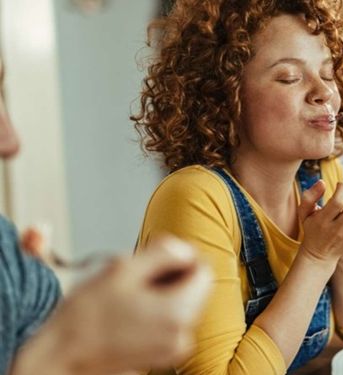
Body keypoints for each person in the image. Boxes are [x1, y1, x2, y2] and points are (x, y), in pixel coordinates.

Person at [132, 0, 343, 373]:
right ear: (226, 96)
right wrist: (317, 258)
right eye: (290, 78)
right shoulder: (195, 198)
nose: (323, 92)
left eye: (328, 73)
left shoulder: (321, 176)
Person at [0, 54, 212, 374]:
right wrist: (67, 354)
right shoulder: (194, 193)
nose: (11, 142)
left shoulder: (14, 265)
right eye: (288, 78)